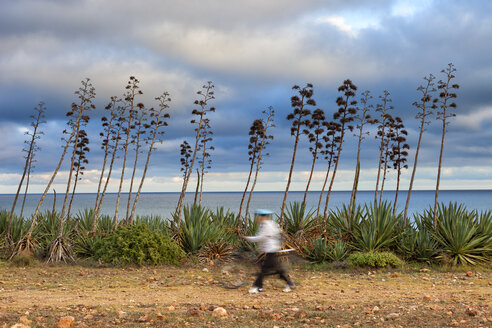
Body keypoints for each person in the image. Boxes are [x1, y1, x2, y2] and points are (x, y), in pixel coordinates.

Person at [241, 209, 296, 293]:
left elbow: (261, 237)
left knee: (264, 270)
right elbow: (279, 232)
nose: (257, 218)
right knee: (277, 270)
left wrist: (248, 238)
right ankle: (290, 284)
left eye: (258, 217)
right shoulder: (271, 223)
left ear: (261, 217)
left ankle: (258, 287)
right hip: (271, 249)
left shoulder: (266, 225)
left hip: (270, 249)